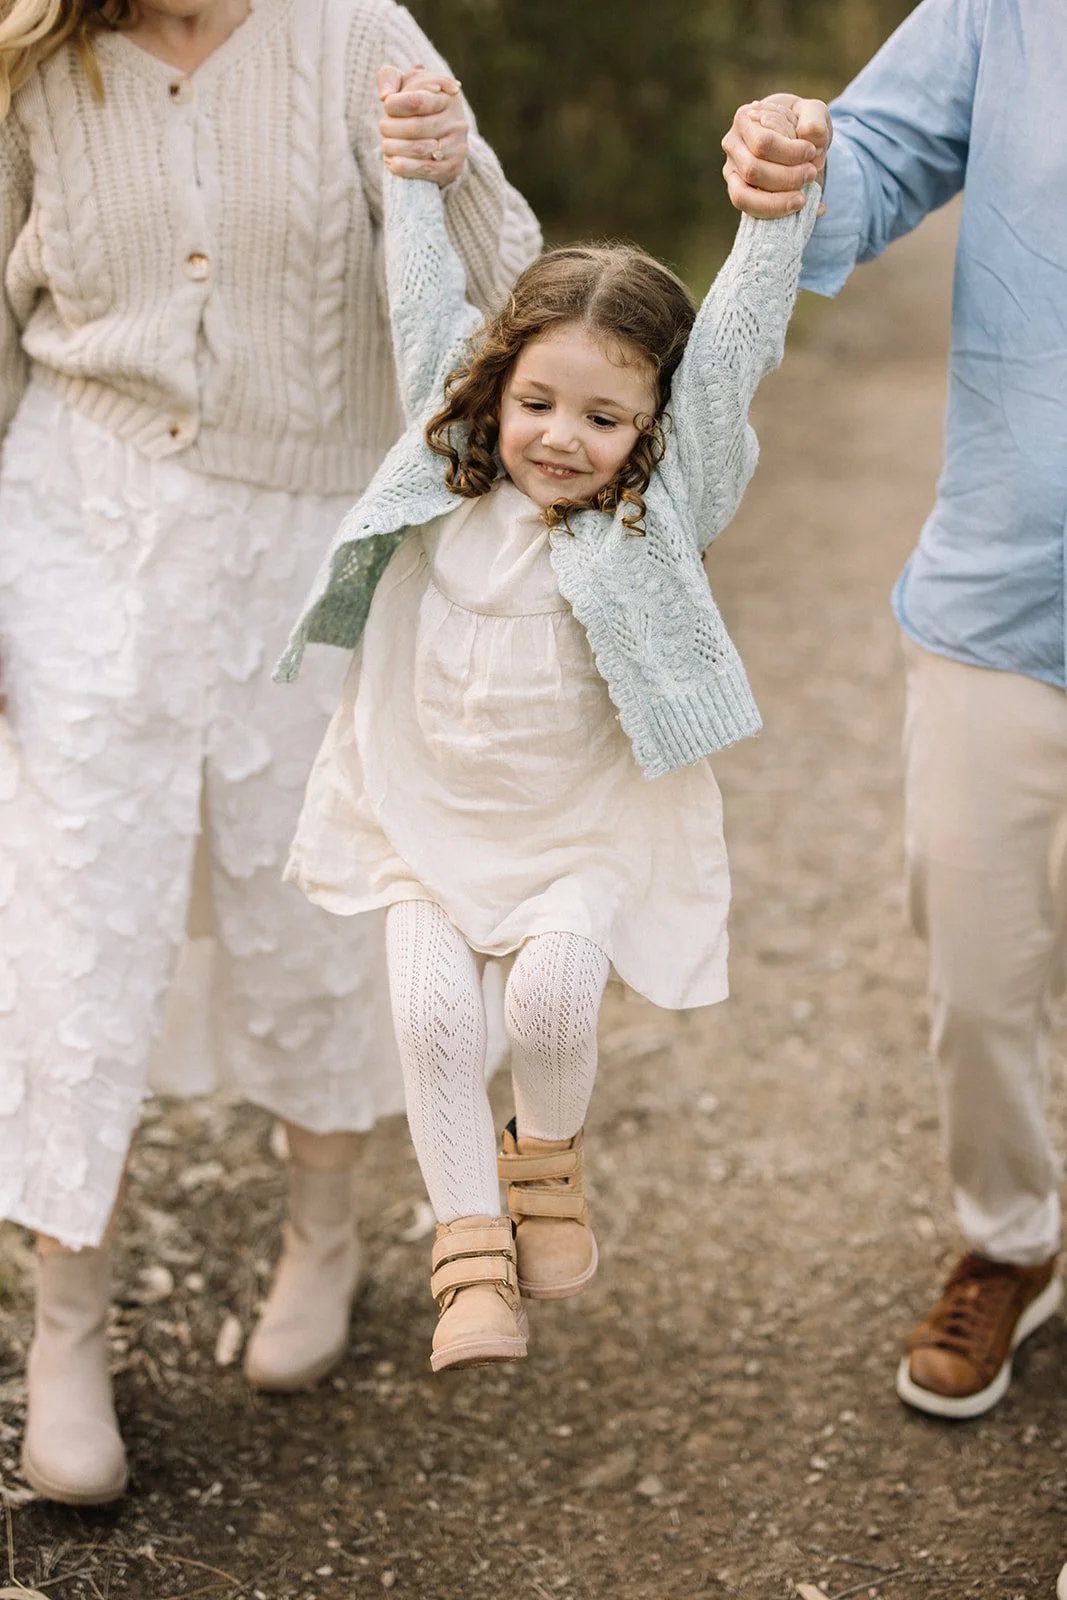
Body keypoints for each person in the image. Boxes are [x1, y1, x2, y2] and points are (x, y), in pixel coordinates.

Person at [0, 0, 539, 1505]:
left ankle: (321, 1230)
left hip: (308, 546)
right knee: (74, 917)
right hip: (74, 525)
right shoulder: (32, 55)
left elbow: (512, 299)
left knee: (307, 904)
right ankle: (66, 1329)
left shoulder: (353, 28)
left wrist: (451, 168)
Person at [277, 97, 819, 1372]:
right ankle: (469, 1261)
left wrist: (772, 216)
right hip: (422, 810)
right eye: (537, 402)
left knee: (556, 999)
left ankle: (547, 1174)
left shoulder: (653, 512)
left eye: (603, 419)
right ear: (495, 387)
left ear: (648, 430)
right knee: (429, 1018)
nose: (561, 439)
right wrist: (417, 183)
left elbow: (732, 349)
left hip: (578, 826)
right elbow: (423, 304)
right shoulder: (446, 461)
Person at [720, 0, 1067, 1427]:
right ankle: (1011, 1237)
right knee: (974, 962)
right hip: (1002, 586)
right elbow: (867, 160)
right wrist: (791, 151)